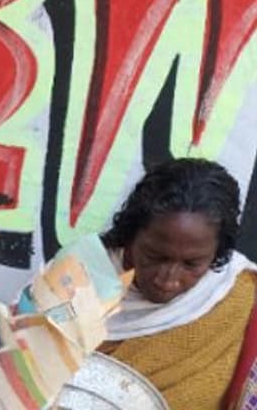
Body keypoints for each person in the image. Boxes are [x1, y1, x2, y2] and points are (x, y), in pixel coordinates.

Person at [101, 158, 257, 409]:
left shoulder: (241, 301)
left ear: (217, 254)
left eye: (191, 264)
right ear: (131, 235)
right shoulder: (74, 279)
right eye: (155, 256)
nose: (168, 279)